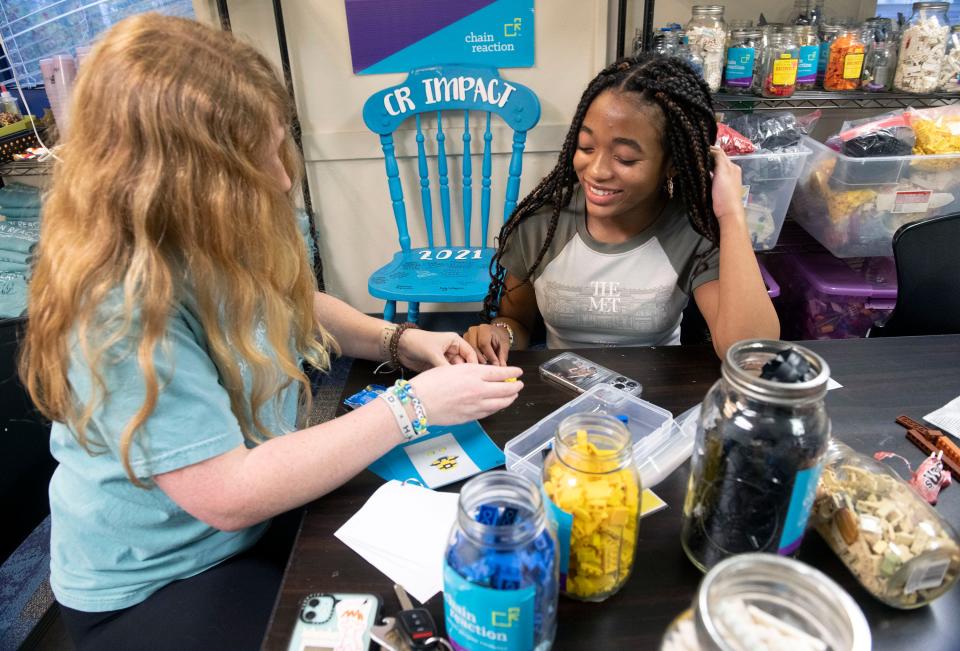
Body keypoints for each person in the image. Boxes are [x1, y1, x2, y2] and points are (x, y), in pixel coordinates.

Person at [20, 15, 523, 650]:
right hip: (159, 581)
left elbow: (290, 303)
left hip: (253, 526)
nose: (282, 181)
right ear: (175, 181)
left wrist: (400, 342)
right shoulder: (116, 305)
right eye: (253, 164)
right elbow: (227, 494)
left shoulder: (198, 231)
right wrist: (412, 408)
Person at [464, 54, 779, 364]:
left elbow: (752, 353)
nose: (596, 170)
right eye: (586, 147)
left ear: (671, 164)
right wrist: (500, 334)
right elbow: (516, 322)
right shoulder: (542, 224)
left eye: (625, 158)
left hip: (658, 398)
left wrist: (731, 215)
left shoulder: (692, 231)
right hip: (565, 397)